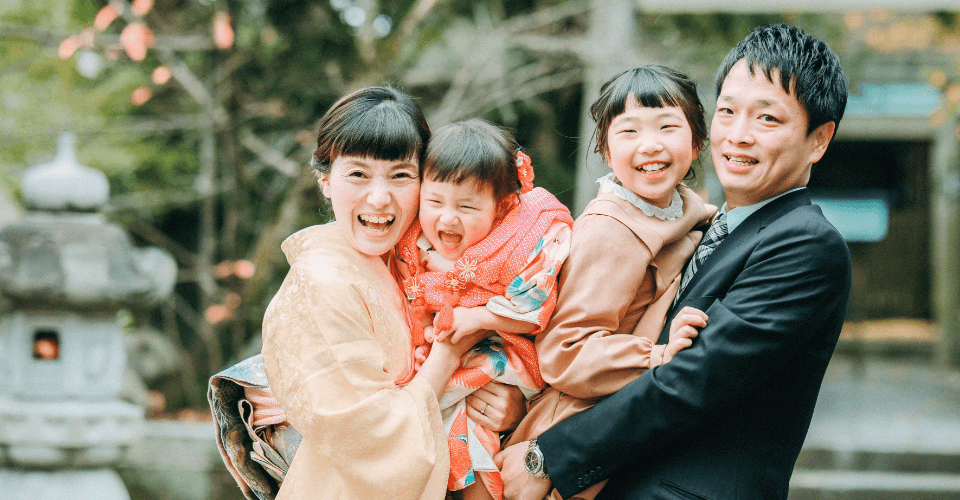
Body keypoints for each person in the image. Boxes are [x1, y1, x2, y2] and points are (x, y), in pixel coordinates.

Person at [497, 23, 851, 500]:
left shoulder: (806, 244)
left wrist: (549, 458)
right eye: (727, 112)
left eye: (767, 119)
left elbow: (692, 379)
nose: (738, 135)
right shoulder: (693, 226)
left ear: (818, 139)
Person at [208, 86, 525, 500]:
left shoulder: (418, 259)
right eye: (357, 174)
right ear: (325, 181)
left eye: (400, 175)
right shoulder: (322, 282)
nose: (380, 198)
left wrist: (510, 405)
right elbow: (373, 437)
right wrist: (450, 352)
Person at [498, 65, 714, 500]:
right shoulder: (609, 229)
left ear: (696, 143)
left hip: (617, 426)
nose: (649, 145)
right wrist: (654, 355)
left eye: (668, 127)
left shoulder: (688, 211)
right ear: (605, 150)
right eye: (628, 131)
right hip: (573, 431)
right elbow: (564, 350)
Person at [394, 119, 574, 500]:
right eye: (435, 201)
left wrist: (479, 317)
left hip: (498, 356)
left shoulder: (526, 233)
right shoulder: (407, 232)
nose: (447, 217)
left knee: (471, 434)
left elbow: (533, 304)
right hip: (429, 357)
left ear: (502, 206)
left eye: (468, 206)